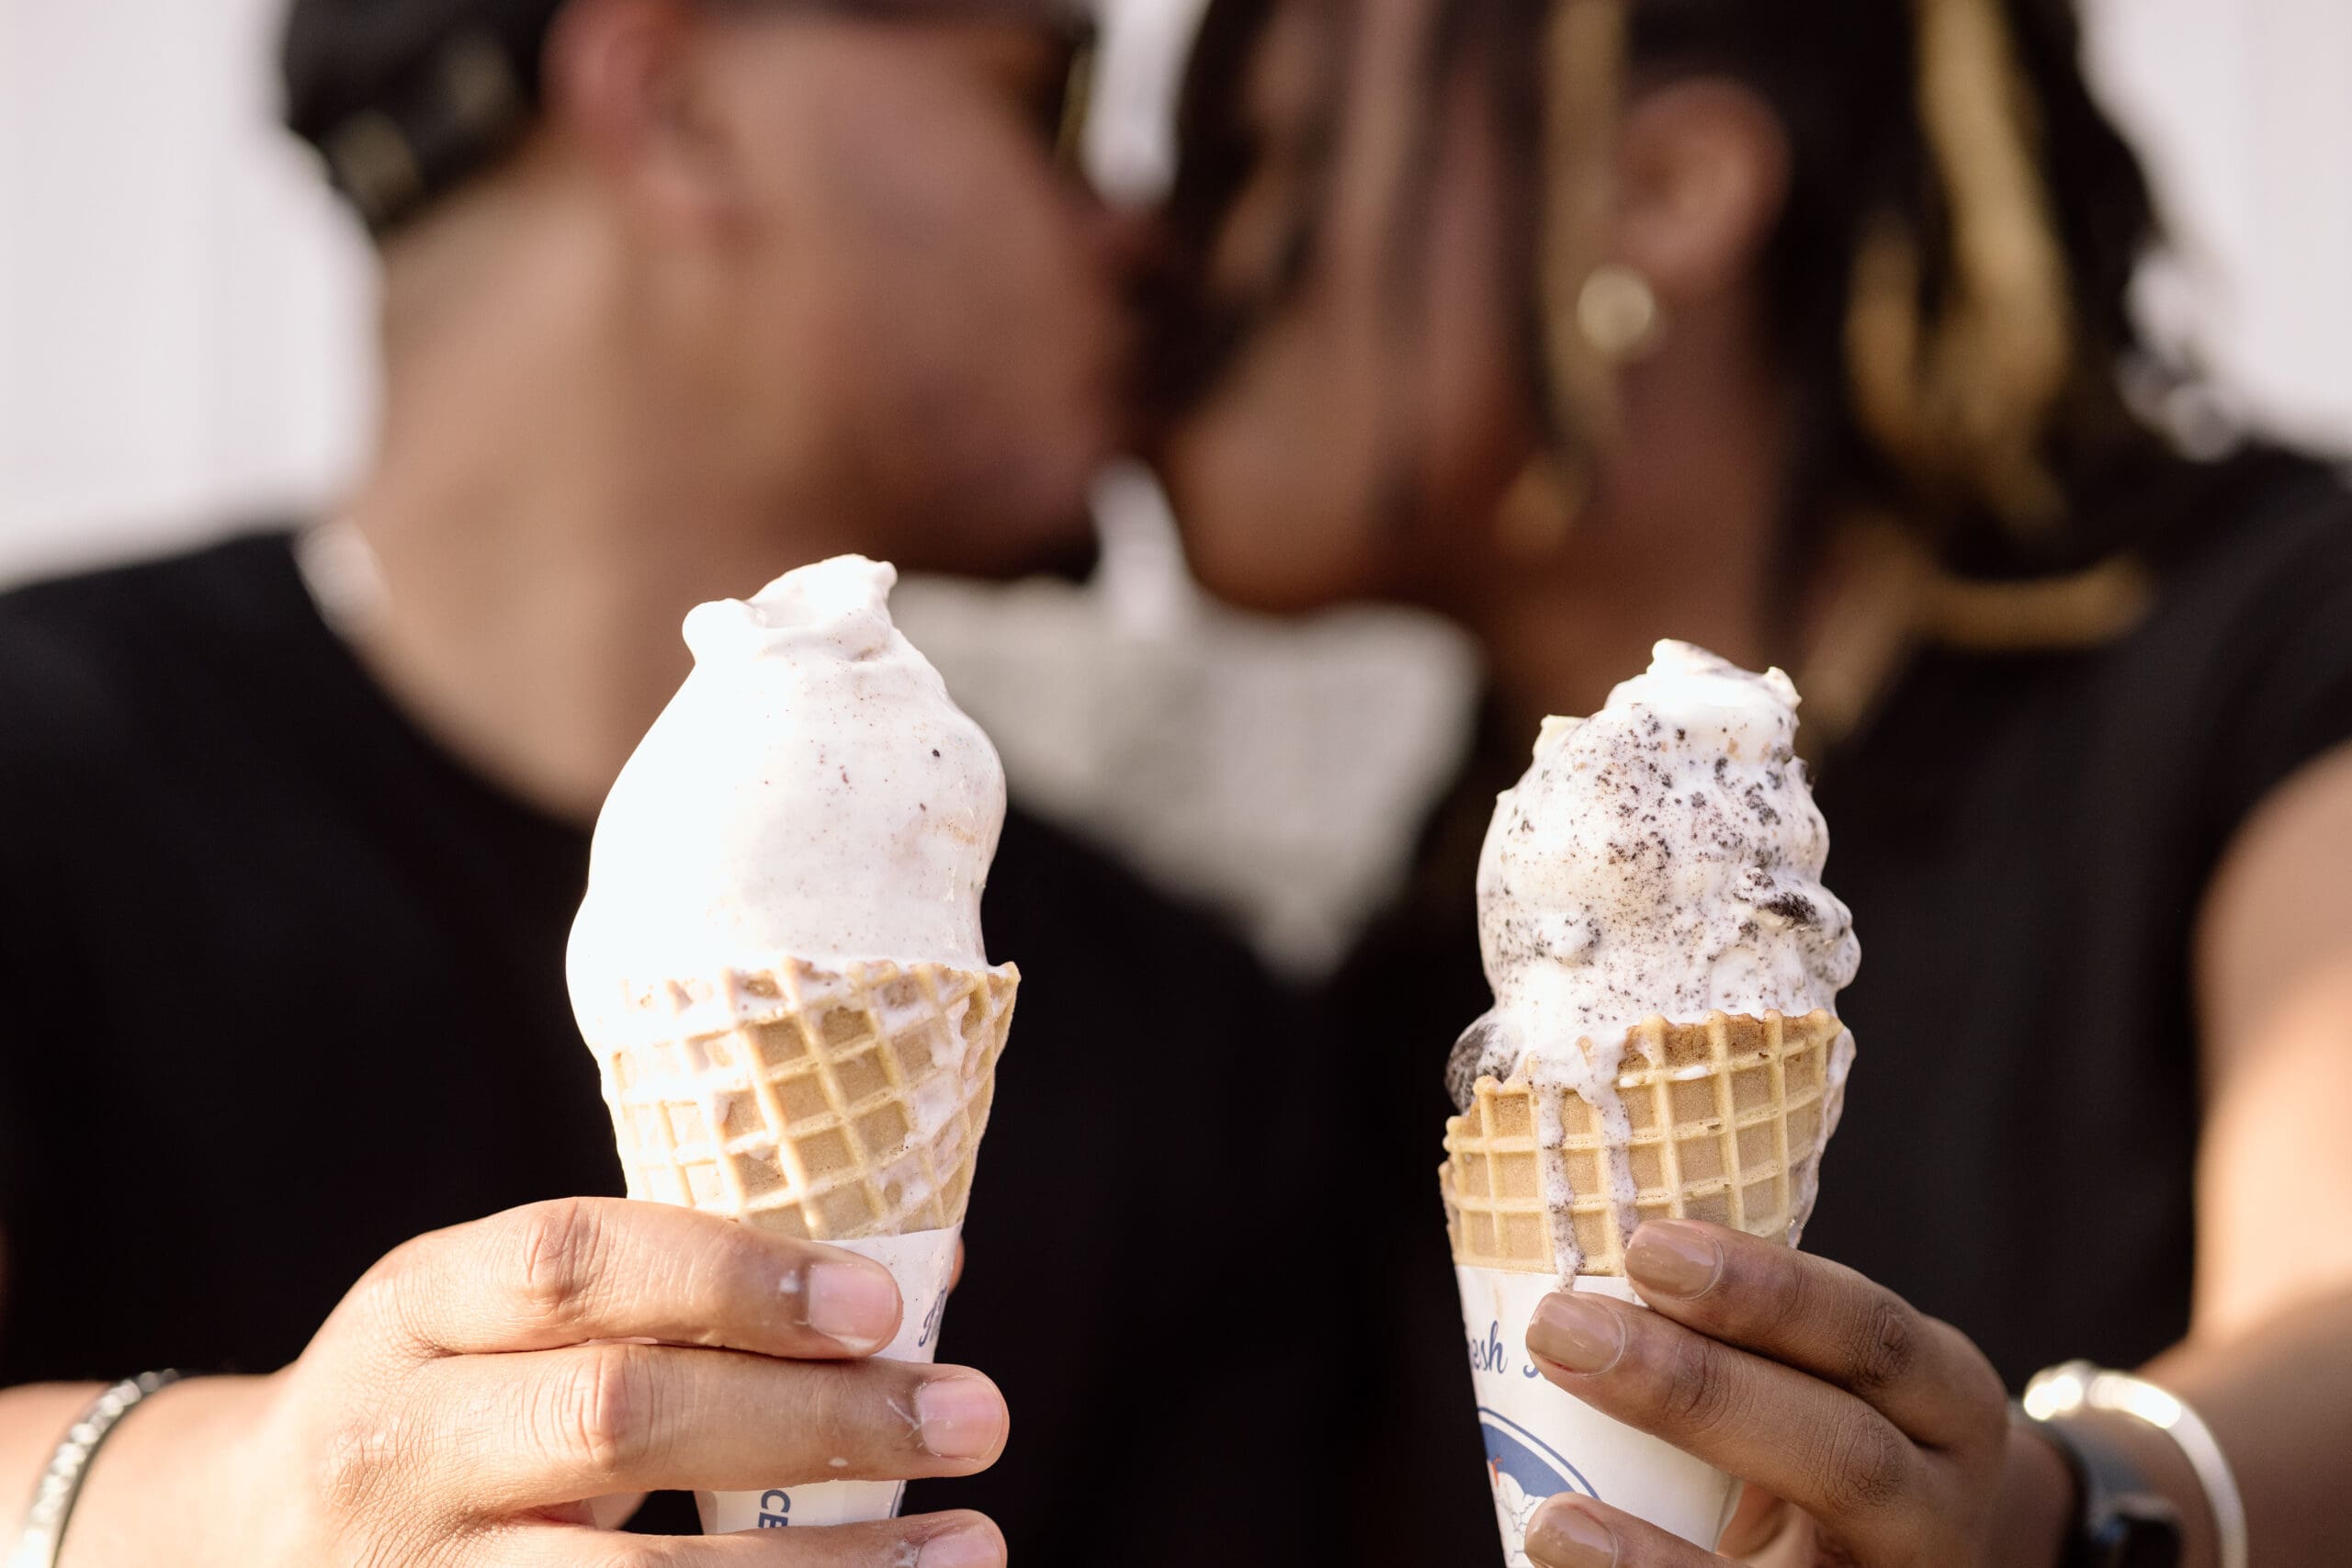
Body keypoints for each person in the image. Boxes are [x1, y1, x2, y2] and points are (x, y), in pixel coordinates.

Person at [0, 2, 1331, 1563]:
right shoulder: (39, 778)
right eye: (1046, 95)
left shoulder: (1203, 1051)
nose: (1135, 236)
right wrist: (232, 1496)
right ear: (684, 104)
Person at [1151, 0, 2352, 1564]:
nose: (1153, 257)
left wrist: (2059, 1515)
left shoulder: (2260, 643)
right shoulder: (1400, 968)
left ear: (1663, 188)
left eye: (1253, 164)